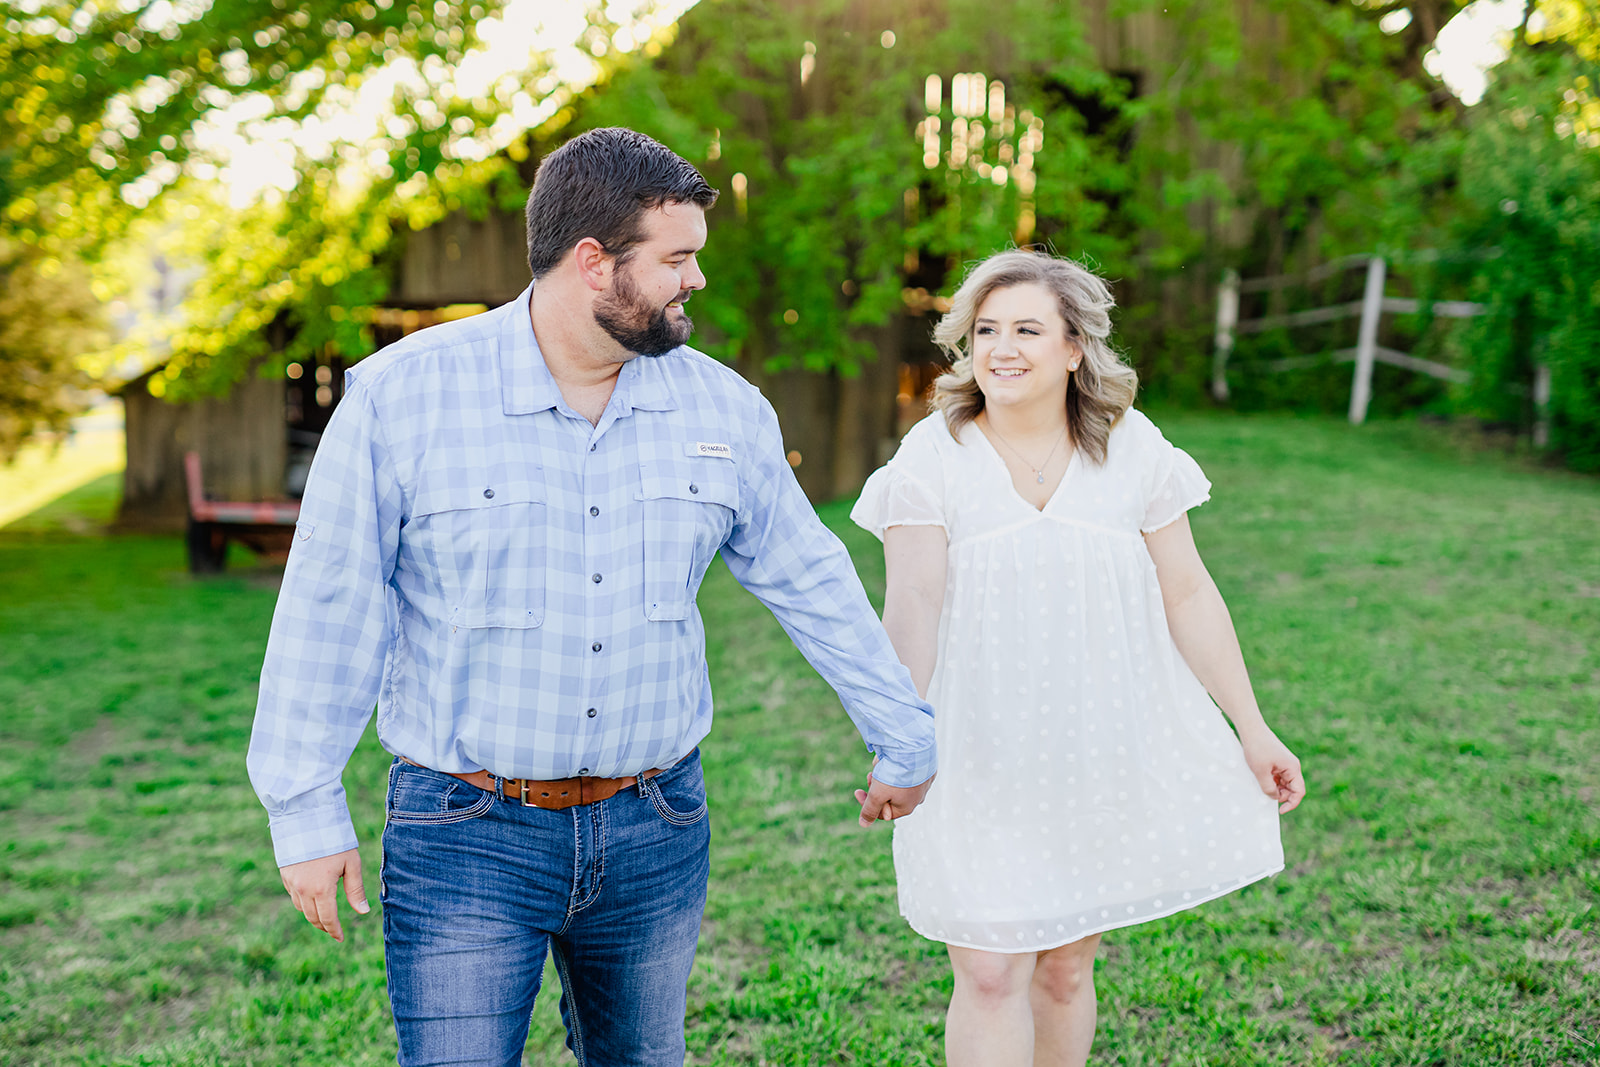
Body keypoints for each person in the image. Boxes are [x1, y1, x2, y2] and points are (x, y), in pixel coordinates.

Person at [247, 127, 937, 1067]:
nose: (695, 280)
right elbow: (330, 606)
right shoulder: (403, 399)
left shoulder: (723, 409)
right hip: (464, 831)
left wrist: (903, 730)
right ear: (592, 262)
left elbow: (810, 579)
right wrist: (304, 805)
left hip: (656, 826)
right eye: (677, 259)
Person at [850, 249, 1306, 1067]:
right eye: (986, 330)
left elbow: (1190, 592)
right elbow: (911, 605)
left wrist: (1254, 725)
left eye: (1027, 328)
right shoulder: (934, 454)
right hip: (975, 750)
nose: (1002, 347)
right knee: (989, 972)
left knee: (1063, 968)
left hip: (1093, 745)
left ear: (1073, 348)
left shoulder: (1130, 447)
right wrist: (898, 741)